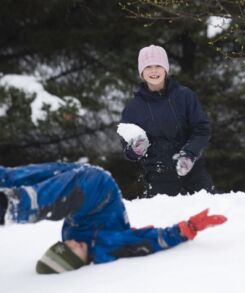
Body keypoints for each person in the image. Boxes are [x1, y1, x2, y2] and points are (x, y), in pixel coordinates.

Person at [0, 162, 227, 274]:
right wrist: (187, 228)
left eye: (63, 245)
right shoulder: (109, 249)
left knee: (27, 176)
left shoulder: (74, 238)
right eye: (70, 251)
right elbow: (151, 241)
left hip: (84, 186)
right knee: (76, 185)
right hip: (100, 192)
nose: (70, 243)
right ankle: (15, 207)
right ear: (77, 263)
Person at [120, 44, 215, 197]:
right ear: (141, 72)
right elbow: (127, 149)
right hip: (159, 178)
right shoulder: (133, 108)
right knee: (164, 220)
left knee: (210, 214)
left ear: (166, 69)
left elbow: (202, 129)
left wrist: (189, 154)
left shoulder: (185, 96)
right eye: (148, 66)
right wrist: (136, 150)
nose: (153, 71)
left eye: (158, 66)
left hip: (194, 173)